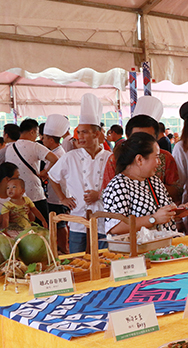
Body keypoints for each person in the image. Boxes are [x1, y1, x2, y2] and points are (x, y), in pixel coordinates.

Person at [49, 94, 112, 253]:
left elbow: (118, 185)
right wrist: (63, 198)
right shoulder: (71, 157)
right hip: (78, 220)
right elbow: (52, 176)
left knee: (105, 261)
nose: (79, 137)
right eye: (78, 132)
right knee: (77, 261)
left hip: (105, 221)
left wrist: (100, 195)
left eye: (84, 132)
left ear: (96, 134)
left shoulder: (109, 158)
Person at [103, 133, 188, 235]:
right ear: (139, 159)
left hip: (163, 245)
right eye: (156, 157)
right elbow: (115, 227)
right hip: (140, 249)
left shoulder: (154, 181)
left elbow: (159, 213)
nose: (159, 162)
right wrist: (153, 219)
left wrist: (177, 212)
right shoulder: (118, 185)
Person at [102, 114, 181, 204]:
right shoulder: (115, 160)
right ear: (128, 137)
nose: (143, 143)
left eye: (148, 138)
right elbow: (107, 197)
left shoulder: (164, 161)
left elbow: (177, 191)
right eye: (137, 138)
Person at [5, 118, 57, 225]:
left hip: (15, 195)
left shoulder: (9, 147)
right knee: (41, 227)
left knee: (20, 228)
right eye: (36, 133)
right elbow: (55, 159)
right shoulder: (35, 146)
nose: (37, 137)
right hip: (35, 194)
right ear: (32, 131)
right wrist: (44, 172)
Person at [42, 114, 70, 253]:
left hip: (59, 195)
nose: (42, 140)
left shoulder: (58, 153)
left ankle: (64, 249)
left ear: (51, 139)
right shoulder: (53, 151)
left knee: (60, 223)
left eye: (45, 137)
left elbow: (51, 175)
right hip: (54, 194)